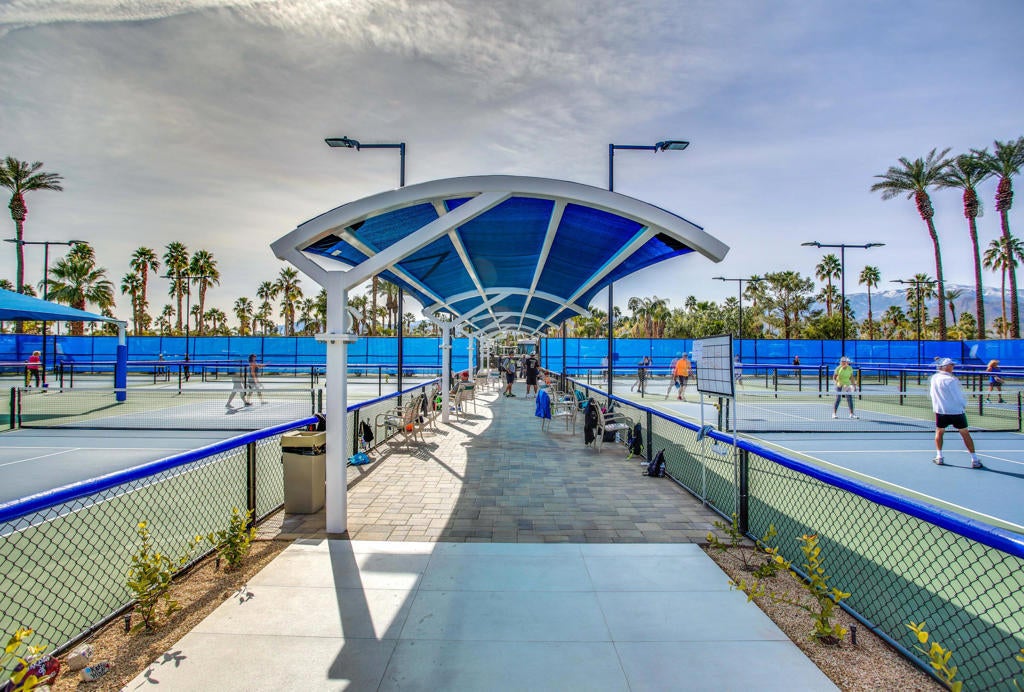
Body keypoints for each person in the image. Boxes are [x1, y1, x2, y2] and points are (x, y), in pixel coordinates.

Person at [929, 358, 982, 468]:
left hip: (941, 411)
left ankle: (939, 457)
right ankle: (974, 460)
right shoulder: (951, 380)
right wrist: (963, 405)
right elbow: (957, 396)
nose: (953, 366)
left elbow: (932, 394)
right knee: (964, 433)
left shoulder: (934, 378)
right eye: (951, 365)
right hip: (955, 411)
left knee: (939, 432)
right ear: (945, 367)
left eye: (952, 365)